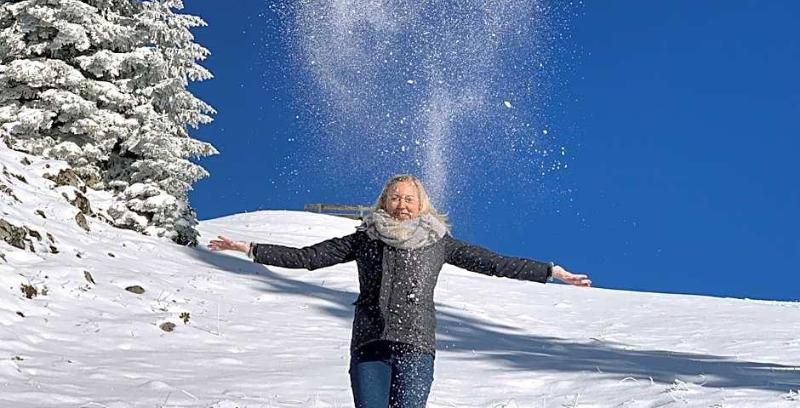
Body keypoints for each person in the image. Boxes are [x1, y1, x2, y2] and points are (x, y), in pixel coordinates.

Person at [208, 174, 591, 408]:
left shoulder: (438, 242)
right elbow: (308, 257)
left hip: (416, 345)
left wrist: (549, 271)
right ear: (383, 202)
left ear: (421, 205)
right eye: (395, 197)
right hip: (369, 344)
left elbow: (493, 262)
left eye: (409, 198)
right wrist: (250, 248)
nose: (402, 204)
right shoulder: (365, 239)